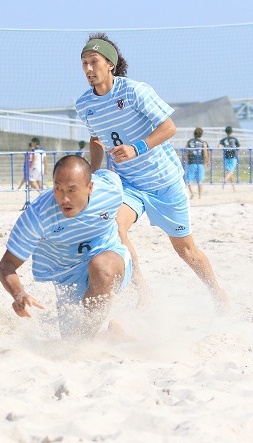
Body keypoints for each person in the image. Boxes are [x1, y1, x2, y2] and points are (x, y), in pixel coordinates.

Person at [75, 32, 229, 312]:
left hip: (165, 181)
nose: (87, 69)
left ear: (109, 63)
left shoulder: (135, 91)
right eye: (83, 62)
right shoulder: (85, 104)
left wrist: (137, 147)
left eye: (93, 61)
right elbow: (96, 139)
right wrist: (90, 176)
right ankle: (143, 292)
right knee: (114, 227)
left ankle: (218, 293)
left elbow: (169, 127)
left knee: (185, 251)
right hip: (129, 183)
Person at [0, 155, 132, 338]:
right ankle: (110, 333)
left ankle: (86, 341)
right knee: (71, 339)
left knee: (101, 267)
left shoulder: (111, 191)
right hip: (67, 280)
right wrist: (18, 294)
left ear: (90, 188)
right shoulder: (38, 215)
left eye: (72, 190)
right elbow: (6, 265)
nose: (64, 198)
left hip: (110, 260)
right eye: (58, 189)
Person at [185, 127, 210, 199]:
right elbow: (205, 153)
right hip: (200, 163)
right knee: (200, 180)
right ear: (201, 134)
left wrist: (187, 161)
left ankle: (192, 193)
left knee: (189, 180)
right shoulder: (203, 142)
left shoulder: (189, 142)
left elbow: (186, 153)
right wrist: (207, 161)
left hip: (191, 162)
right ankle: (200, 196)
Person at [218, 126, 240, 191]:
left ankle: (233, 187)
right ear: (232, 131)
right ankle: (224, 180)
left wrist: (223, 148)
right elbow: (239, 148)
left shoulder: (224, 139)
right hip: (233, 157)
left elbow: (219, 146)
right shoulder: (234, 139)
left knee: (229, 172)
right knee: (231, 171)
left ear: (226, 132)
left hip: (226, 157)